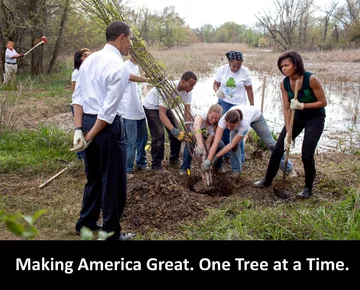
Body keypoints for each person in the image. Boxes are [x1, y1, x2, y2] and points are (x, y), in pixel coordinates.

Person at [70, 20, 134, 240]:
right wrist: (88, 135)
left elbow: (77, 98)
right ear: (121, 38)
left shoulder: (90, 60)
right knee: (113, 180)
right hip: (106, 129)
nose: (131, 45)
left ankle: (86, 223)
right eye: (130, 39)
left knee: (94, 177)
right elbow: (107, 112)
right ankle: (110, 233)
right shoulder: (120, 67)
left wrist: (80, 129)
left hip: (88, 122)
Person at [254, 51, 327, 198]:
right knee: (278, 148)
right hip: (297, 117)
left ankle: (308, 188)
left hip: (315, 117)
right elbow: (287, 108)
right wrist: (288, 132)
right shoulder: (285, 83)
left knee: (306, 154)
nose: (284, 69)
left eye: (286, 65)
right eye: (281, 66)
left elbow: (323, 102)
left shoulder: (311, 79)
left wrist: (302, 105)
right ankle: (267, 180)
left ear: (296, 64)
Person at [201, 104, 294, 176]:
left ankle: (289, 169)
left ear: (237, 123)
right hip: (239, 116)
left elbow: (231, 144)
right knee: (235, 148)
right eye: (227, 125)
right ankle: (236, 171)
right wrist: (209, 159)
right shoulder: (222, 120)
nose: (229, 128)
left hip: (256, 117)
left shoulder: (244, 124)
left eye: (232, 126)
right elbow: (216, 142)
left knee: (271, 144)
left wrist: (215, 157)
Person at [143, 71, 197, 171]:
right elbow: (161, 114)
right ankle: (156, 164)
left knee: (178, 133)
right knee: (159, 133)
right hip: (152, 106)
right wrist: (173, 130)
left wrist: (188, 128)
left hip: (165, 107)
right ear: (183, 81)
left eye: (193, 86)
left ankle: (174, 159)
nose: (192, 88)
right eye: (190, 85)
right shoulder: (169, 89)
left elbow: (187, 112)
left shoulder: (188, 92)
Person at [213, 50, 254, 165]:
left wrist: (252, 106)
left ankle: (239, 158)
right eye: (234, 66)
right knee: (224, 128)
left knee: (237, 130)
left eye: (239, 66)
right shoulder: (222, 69)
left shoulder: (245, 71)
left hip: (239, 104)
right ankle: (226, 155)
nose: (236, 68)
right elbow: (215, 83)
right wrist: (217, 91)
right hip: (224, 102)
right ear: (229, 62)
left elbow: (249, 89)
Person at [122, 56, 150, 179]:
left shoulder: (136, 67)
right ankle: (127, 169)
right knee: (130, 142)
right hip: (129, 112)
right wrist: (146, 79)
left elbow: (138, 88)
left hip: (139, 110)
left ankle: (141, 163)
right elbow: (129, 77)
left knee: (143, 139)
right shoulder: (125, 65)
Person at [179, 104, 225, 175]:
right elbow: (196, 127)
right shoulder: (202, 115)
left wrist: (206, 153)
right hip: (194, 133)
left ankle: (218, 167)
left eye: (216, 119)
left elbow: (209, 141)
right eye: (211, 117)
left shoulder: (218, 122)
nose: (213, 120)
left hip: (205, 135)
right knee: (189, 143)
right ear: (208, 113)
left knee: (220, 145)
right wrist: (200, 145)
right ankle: (185, 168)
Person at [71, 48, 91, 161]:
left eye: (89, 55)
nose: (87, 57)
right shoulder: (77, 73)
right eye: (85, 55)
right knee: (80, 128)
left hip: (87, 105)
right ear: (79, 59)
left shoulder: (89, 71)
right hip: (79, 106)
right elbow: (76, 93)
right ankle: (80, 154)